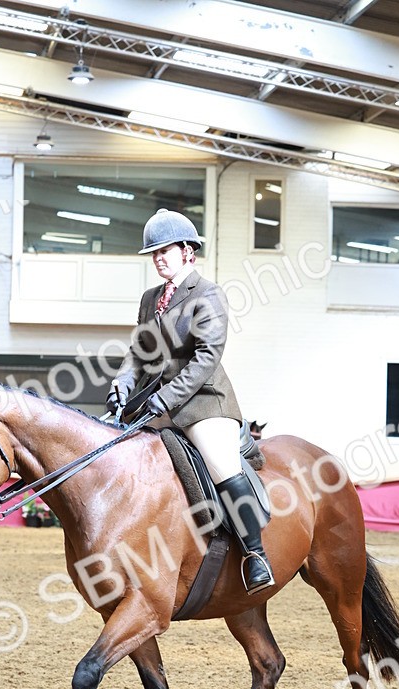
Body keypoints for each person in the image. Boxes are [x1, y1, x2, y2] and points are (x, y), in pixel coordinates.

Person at [107, 209, 274, 595]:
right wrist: (122, 382)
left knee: (219, 462)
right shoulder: (151, 299)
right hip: (155, 404)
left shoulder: (208, 294)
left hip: (203, 403)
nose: (158, 258)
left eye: (165, 250)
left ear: (188, 252)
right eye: (154, 253)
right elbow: (139, 350)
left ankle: (254, 553)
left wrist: (165, 398)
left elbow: (205, 359)